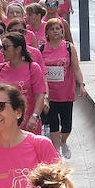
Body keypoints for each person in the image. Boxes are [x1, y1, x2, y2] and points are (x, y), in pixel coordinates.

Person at [38, 17, 86, 158]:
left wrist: (81, 85)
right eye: (52, 29)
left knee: (66, 125)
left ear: (62, 31)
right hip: (50, 93)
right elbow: (39, 71)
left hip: (66, 92)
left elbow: (76, 68)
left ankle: (63, 141)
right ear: (47, 32)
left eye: (58, 28)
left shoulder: (68, 48)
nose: (55, 31)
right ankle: (56, 151)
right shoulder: (42, 48)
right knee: (53, 123)